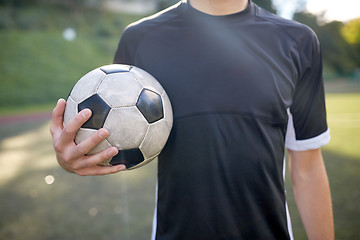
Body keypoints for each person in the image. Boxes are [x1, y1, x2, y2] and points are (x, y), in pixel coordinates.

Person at [50, 0, 334, 239]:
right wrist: (75, 157)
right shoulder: (141, 39)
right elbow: (115, 142)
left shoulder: (298, 41)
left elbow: (308, 168)